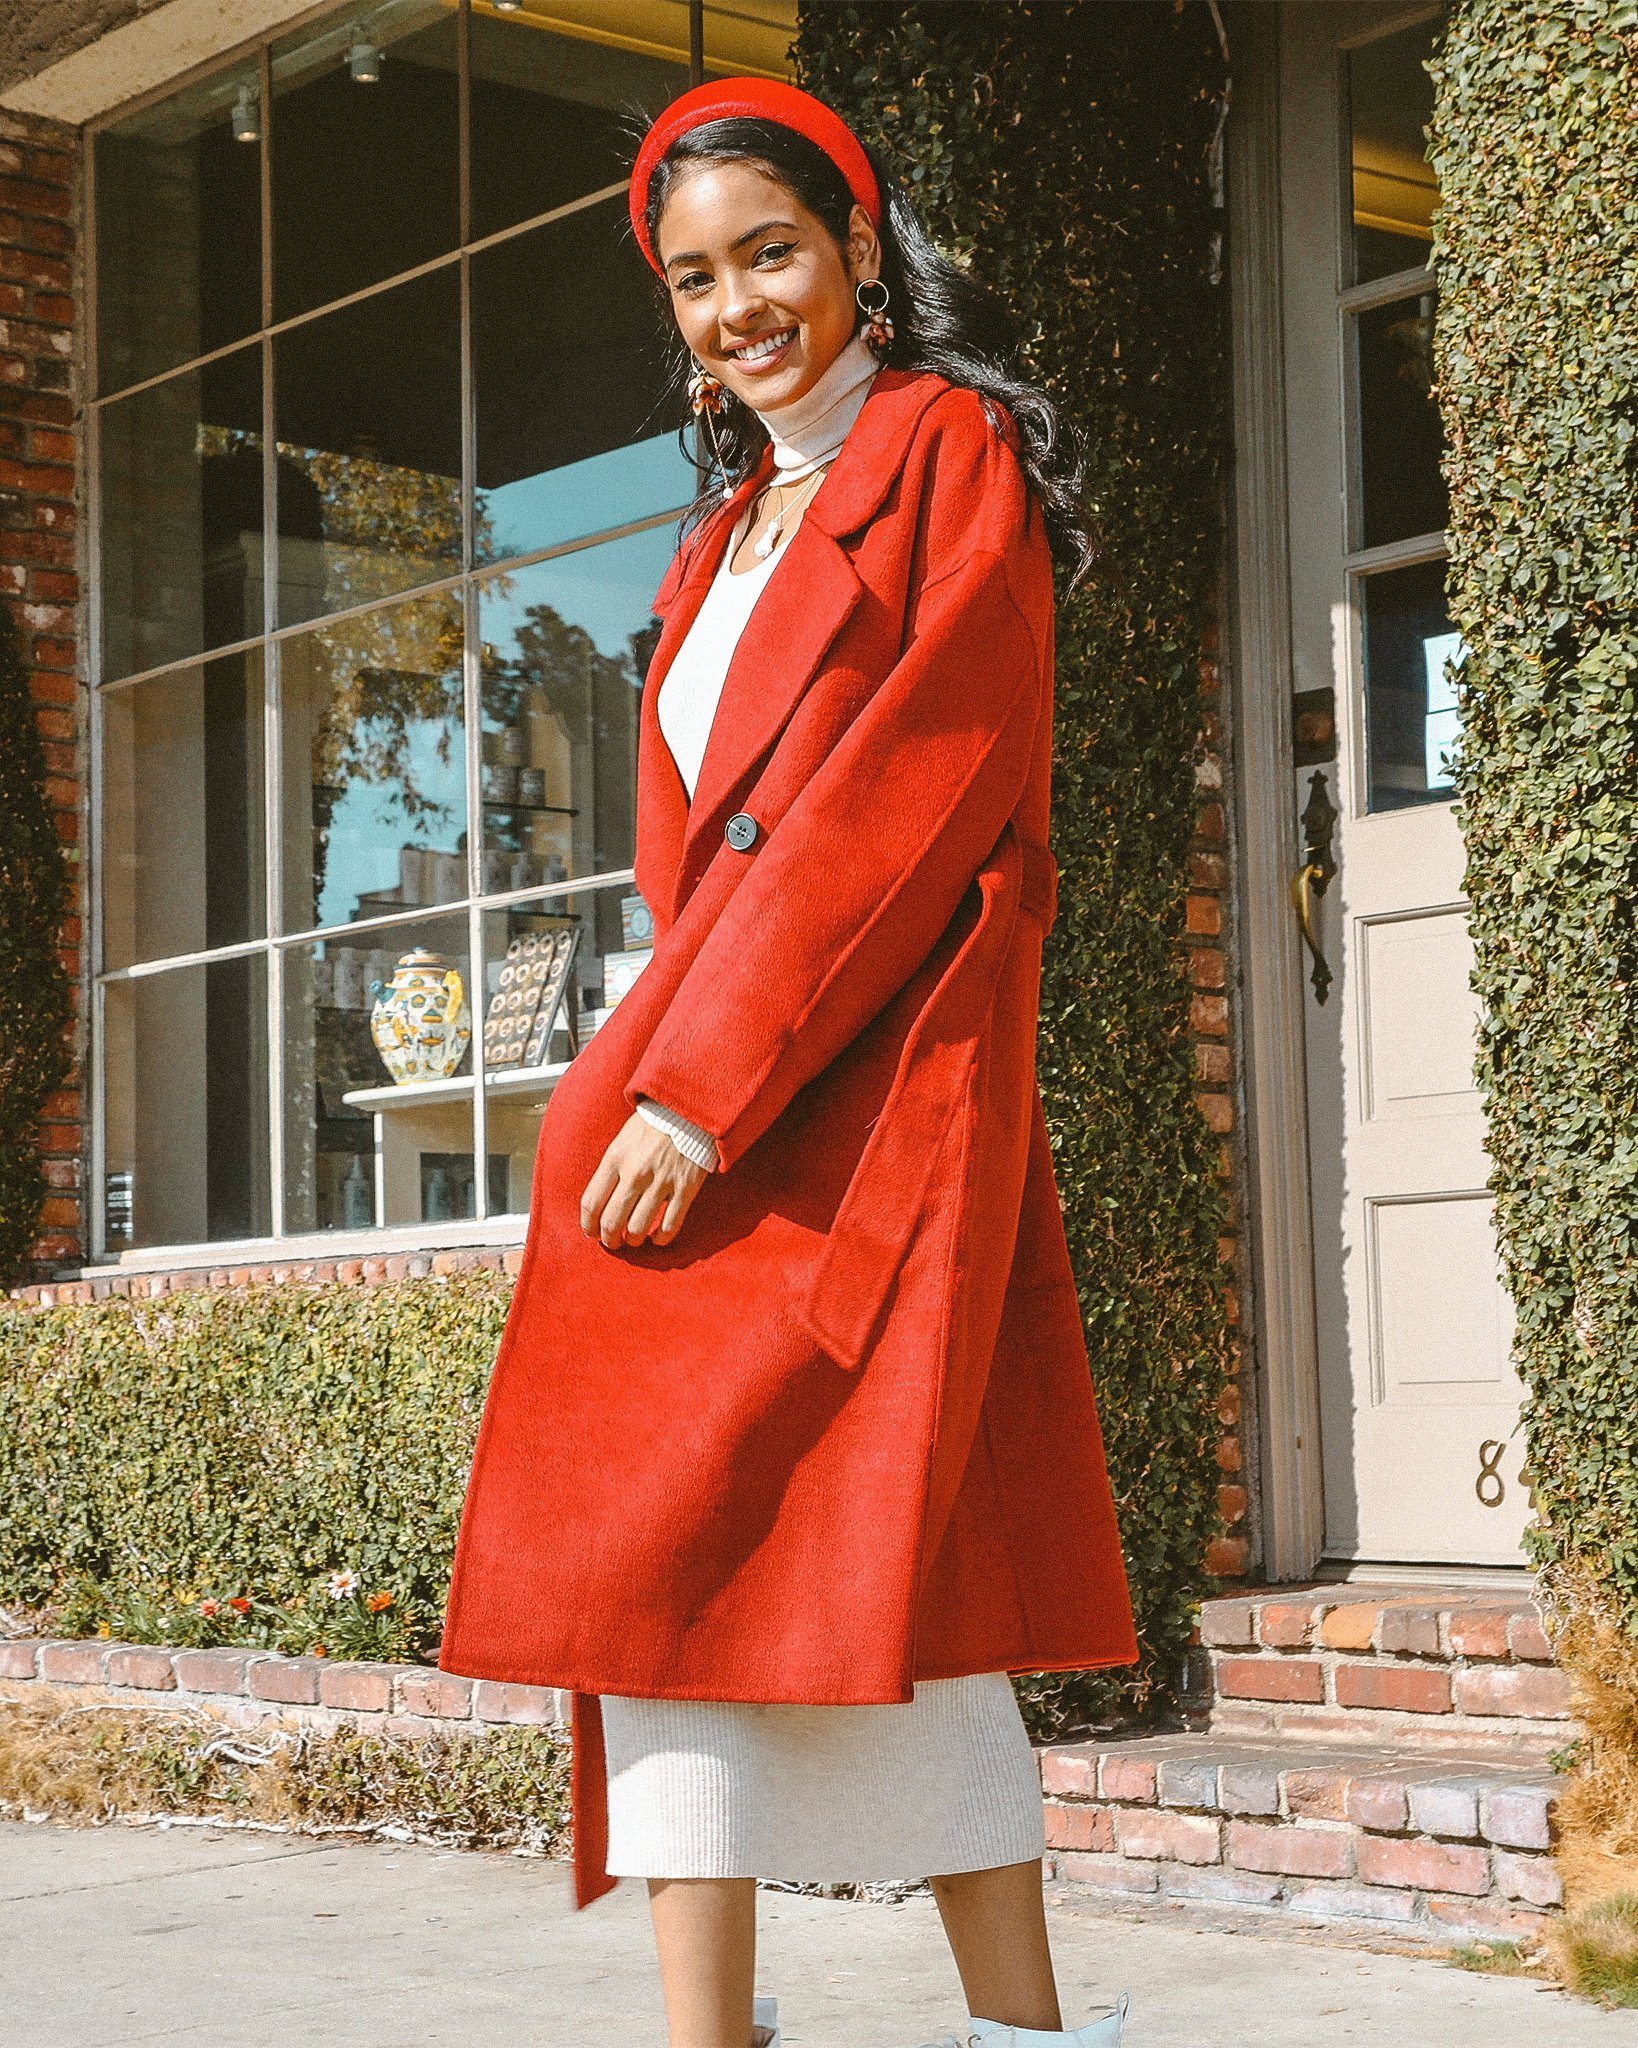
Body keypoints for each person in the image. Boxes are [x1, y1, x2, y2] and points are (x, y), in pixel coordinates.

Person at [437, 76, 1139, 2048]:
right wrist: (649, 1066)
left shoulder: (948, 455)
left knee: (897, 1577)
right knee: (657, 1578)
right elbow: (704, 853)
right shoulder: (718, 533)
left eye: (770, 253)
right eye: (696, 276)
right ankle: (704, 2039)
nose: (740, 304)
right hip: (702, 1094)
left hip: (857, 1092)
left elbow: (916, 799)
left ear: (855, 248)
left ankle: (1018, 2032)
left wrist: (699, 1081)